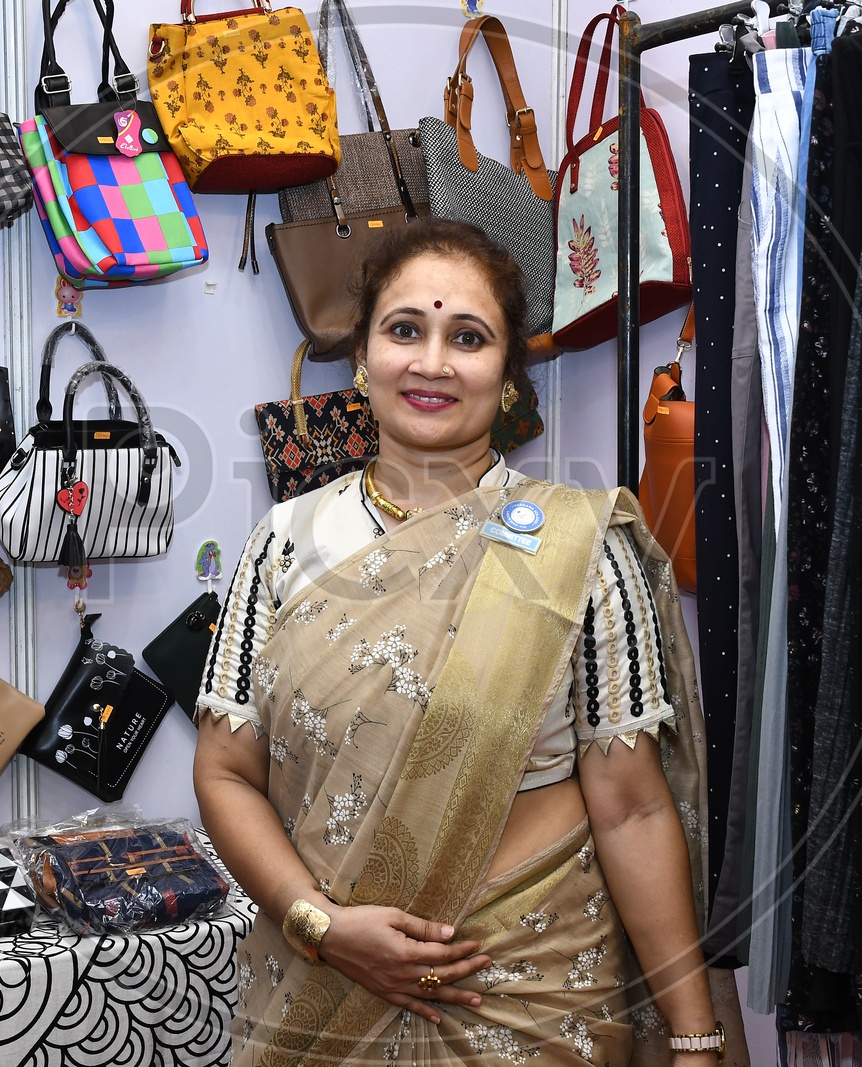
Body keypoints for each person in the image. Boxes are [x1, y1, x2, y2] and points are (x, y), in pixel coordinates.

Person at [195, 219, 721, 1065]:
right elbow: (225, 771)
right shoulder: (285, 540)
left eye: (468, 337)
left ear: (509, 375)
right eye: (405, 329)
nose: (433, 362)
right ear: (363, 356)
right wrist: (320, 925)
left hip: (534, 993)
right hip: (330, 994)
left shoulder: (581, 547)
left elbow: (633, 804)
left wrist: (695, 1035)